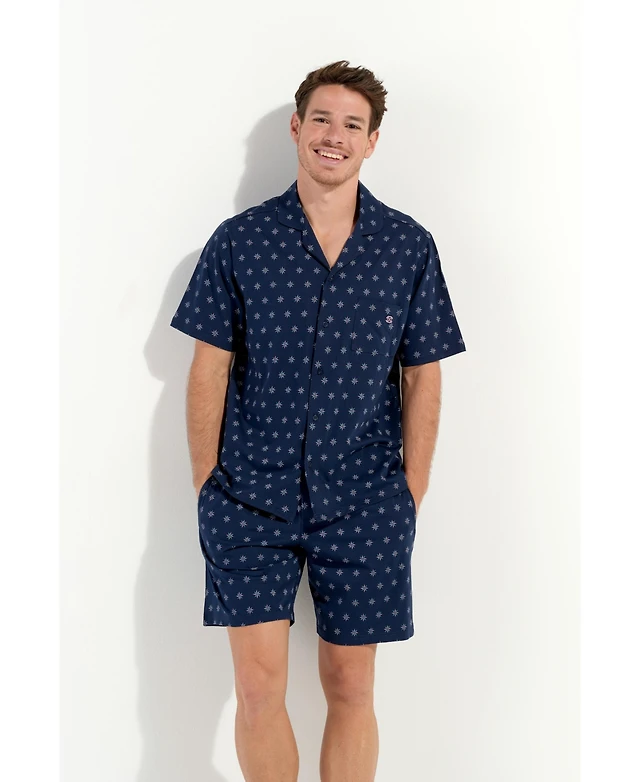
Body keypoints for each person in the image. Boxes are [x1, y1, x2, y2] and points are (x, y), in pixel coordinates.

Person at [171, 59, 466, 782]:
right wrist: (209, 485)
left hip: (366, 499)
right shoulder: (239, 241)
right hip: (250, 498)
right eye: (323, 119)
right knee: (257, 688)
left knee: (351, 686)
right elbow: (208, 369)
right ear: (297, 128)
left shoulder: (407, 247)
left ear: (372, 142)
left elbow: (423, 373)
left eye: (353, 125)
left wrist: (411, 491)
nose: (336, 135)